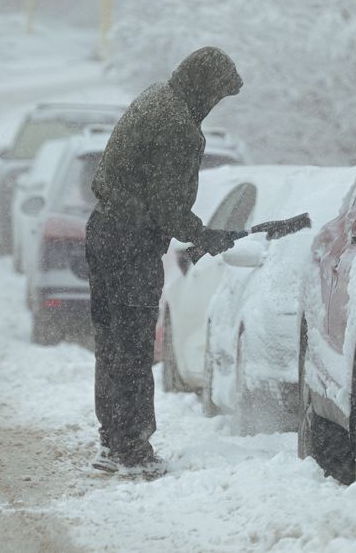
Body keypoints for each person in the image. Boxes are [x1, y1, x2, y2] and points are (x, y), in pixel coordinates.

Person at [84, 46, 244, 476]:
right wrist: (204, 234)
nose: (214, 106)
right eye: (217, 96)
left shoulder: (156, 97)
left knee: (113, 344)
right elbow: (166, 203)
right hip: (130, 244)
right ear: (204, 88)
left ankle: (113, 440)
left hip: (103, 232)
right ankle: (132, 449)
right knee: (134, 347)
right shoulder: (178, 127)